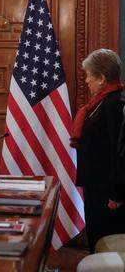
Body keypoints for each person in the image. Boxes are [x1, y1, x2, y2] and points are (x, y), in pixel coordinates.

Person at [70, 48, 125, 253]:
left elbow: (119, 154)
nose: (86, 81)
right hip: (96, 186)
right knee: (96, 239)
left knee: (104, 242)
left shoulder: (114, 105)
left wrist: (116, 194)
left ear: (101, 78)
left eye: (89, 76)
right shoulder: (100, 102)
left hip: (108, 193)